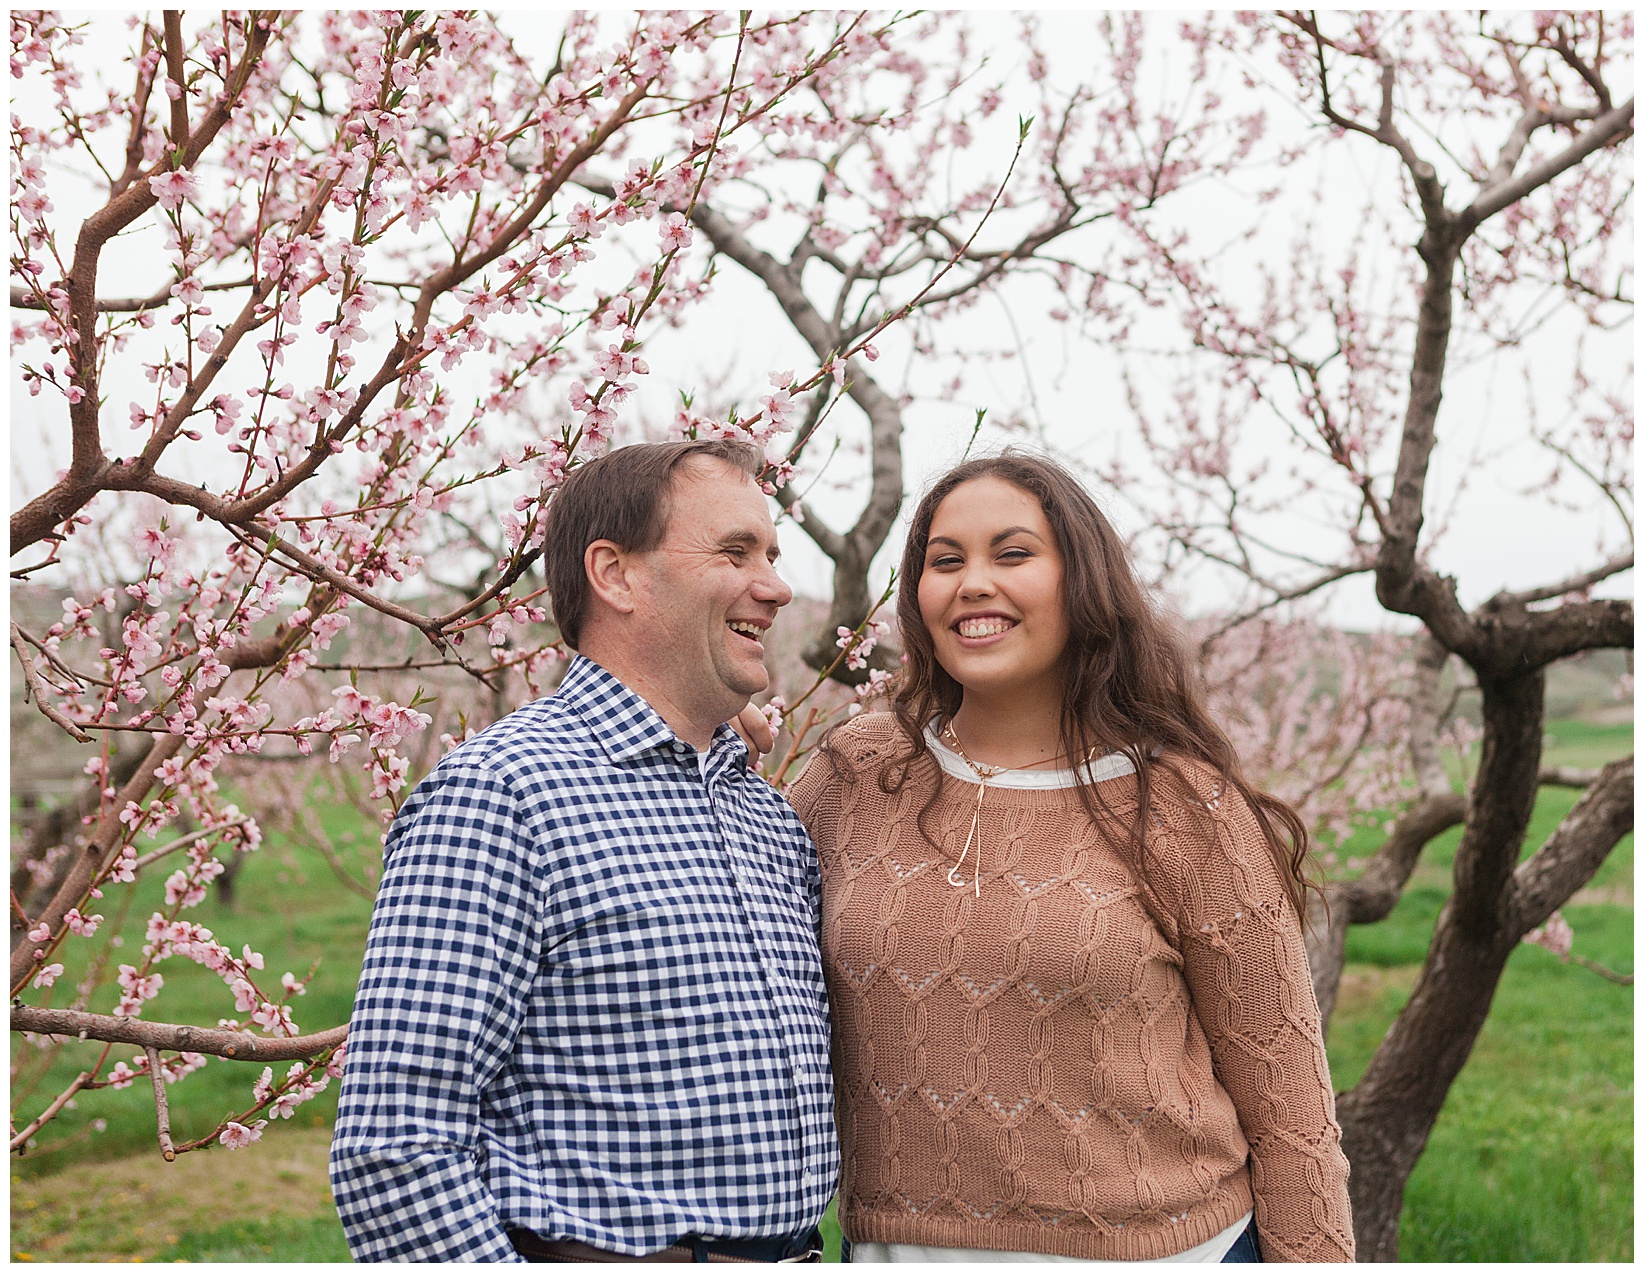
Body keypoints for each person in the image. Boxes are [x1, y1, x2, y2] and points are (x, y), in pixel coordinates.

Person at [787, 452, 1355, 1262]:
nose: (973, 582)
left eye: (1012, 554)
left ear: (1081, 581)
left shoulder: (1184, 807)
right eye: (945, 561)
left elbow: (1293, 1112)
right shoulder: (858, 771)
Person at [330, 440, 837, 1263]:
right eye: (736, 551)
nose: (777, 586)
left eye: (773, 555)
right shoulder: (499, 796)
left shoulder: (765, 817)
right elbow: (396, 1145)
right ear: (616, 574)